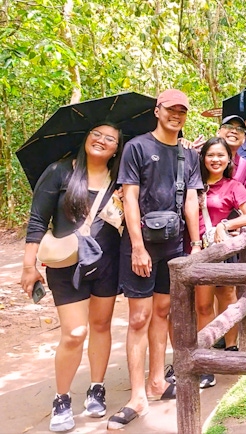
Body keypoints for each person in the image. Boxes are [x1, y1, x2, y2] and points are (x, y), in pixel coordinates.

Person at [107, 89, 203, 429]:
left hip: (174, 245)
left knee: (163, 311)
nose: (176, 115)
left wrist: (196, 244)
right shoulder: (137, 148)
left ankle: (157, 381)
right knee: (138, 318)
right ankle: (136, 396)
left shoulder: (188, 155)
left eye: (182, 111)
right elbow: (129, 199)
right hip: (141, 243)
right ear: (157, 111)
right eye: (171, 109)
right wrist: (136, 246)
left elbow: (192, 200)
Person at [21, 123, 123, 432]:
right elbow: (38, 218)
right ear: (85, 137)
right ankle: (62, 398)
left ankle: (97, 387)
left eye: (110, 139)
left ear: (117, 148)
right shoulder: (60, 171)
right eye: (96, 134)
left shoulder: (119, 177)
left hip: (108, 262)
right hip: (66, 264)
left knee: (102, 325)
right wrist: (29, 265)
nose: (102, 141)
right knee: (74, 333)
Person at [194, 137, 246, 388]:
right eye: (210, 155)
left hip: (222, 249)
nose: (216, 160)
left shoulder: (233, 185)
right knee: (202, 305)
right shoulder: (194, 185)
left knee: (227, 296)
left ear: (229, 159)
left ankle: (231, 348)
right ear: (203, 158)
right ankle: (207, 359)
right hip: (198, 250)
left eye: (221, 155)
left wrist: (226, 224)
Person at [217, 115, 246, 195]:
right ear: (218, 132)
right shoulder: (204, 157)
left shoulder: (245, 167)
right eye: (229, 126)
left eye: (240, 129)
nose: (234, 131)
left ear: (244, 138)